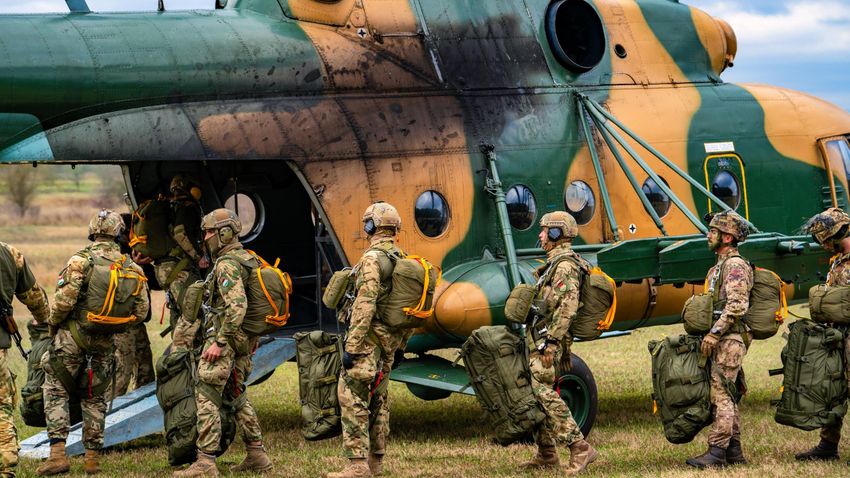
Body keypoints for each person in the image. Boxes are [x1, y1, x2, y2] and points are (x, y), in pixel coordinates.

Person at [37, 210, 150, 476]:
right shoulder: (132, 267)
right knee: (95, 397)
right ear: (119, 233)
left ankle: (57, 456)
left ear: (92, 231)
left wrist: (53, 325)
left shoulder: (80, 260)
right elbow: (142, 311)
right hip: (105, 342)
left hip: (71, 339)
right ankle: (92, 460)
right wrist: (113, 325)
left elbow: (63, 303)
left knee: (56, 389)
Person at [173, 208, 272, 477]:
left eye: (209, 232)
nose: (205, 237)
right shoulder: (248, 258)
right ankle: (257, 454)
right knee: (237, 395)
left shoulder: (227, 263)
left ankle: (205, 462)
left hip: (225, 341)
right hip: (243, 341)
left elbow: (237, 307)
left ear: (224, 233)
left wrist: (219, 342)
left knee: (206, 394)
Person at [328, 202, 411, 478]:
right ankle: (376, 462)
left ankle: (356, 465)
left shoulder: (372, 259)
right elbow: (409, 308)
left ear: (370, 226)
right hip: (390, 342)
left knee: (351, 395)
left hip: (369, 340)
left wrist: (352, 345)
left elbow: (365, 302)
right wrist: (401, 345)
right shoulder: (402, 257)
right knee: (379, 397)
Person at [521, 211, 597, 474]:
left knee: (541, 391)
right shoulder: (555, 264)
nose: (540, 235)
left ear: (556, 234)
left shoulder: (564, 266)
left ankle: (579, 447)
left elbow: (568, 306)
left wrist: (551, 343)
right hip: (541, 339)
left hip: (549, 342)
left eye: (544, 231)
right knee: (534, 393)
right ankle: (546, 453)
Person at [686, 211, 752, 468]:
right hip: (725, 337)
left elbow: (737, 305)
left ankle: (716, 452)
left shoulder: (735, 266)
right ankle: (734, 452)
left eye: (712, 231)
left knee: (721, 395)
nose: (708, 235)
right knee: (727, 392)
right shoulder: (720, 266)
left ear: (727, 237)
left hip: (729, 338)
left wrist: (715, 333)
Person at [795, 207, 850, 462]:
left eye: (825, 240)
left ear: (837, 234)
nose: (824, 246)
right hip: (837, 335)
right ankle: (828, 445)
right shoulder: (839, 262)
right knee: (833, 389)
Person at [0, 243, 50, 478]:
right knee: (1, 407)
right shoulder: (9, 253)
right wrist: (46, 322)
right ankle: (5, 467)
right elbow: (34, 297)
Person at [135, 174, 206, 340]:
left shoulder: (168, 207)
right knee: (192, 315)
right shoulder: (187, 207)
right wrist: (198, 257)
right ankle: (184, 356)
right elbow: (180, 233)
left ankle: (179, 355)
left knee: (178, 314)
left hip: (165, 269)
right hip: (179, 269)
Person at [114, 213, 155, 397]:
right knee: (120, 377)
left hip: (137, 322)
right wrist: (135, 265)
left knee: (145, 374)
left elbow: (153, 282)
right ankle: (109, 420)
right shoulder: (114, 252)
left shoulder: (136, 251)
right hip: (121, 324)